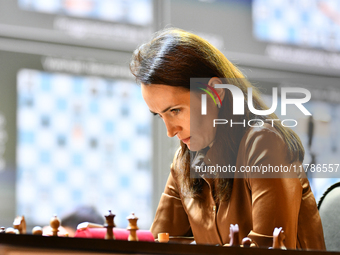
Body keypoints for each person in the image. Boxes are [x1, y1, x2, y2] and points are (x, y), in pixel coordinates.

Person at [129, 28, 326, 250]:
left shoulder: (264, 144)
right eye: (160, 115)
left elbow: (267, 249)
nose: (170, 131)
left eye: (175, 110)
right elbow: (155, 245)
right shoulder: (184, 161)